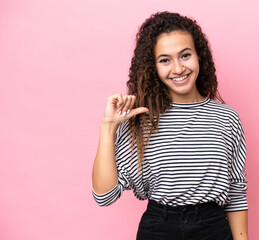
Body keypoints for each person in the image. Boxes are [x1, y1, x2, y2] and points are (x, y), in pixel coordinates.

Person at [91, 11, 248, 240]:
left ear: (199, 57)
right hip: (159, 229)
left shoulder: (226, 118)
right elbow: (104, 196)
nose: (177, 69)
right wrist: (108, 127)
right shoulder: (139, 119)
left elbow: (235, 193)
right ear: (153, 67)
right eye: (165, 60)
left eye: (185, 55)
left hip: (213, 229)